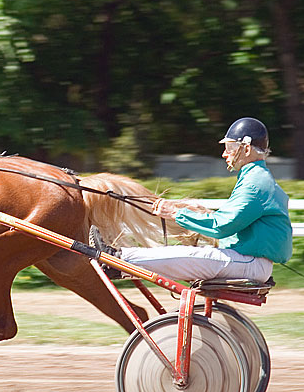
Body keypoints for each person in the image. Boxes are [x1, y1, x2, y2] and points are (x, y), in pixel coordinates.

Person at [90, 117, 292, 283]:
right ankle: (119, 264)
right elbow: (229, 221)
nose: (224, 154)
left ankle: (116, 260)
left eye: (230, 147)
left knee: (184, 255)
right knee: (186, 255)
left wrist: (176, 213)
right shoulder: (256, 178)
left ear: (246, 149)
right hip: (248, 261)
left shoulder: (256, 183)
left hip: (249, 263)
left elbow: (221, 226)